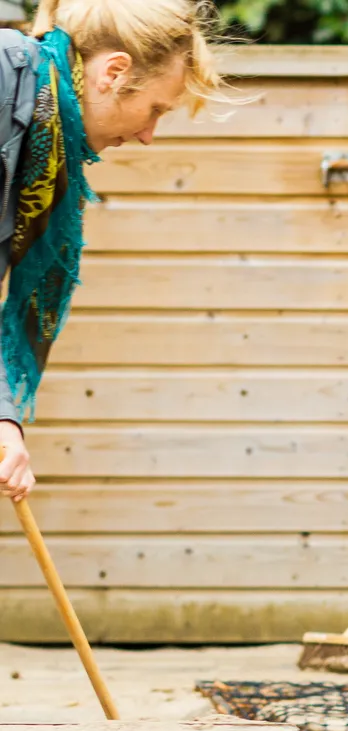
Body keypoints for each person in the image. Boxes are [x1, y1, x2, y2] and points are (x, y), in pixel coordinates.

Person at [0, 0, 228, 502]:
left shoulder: (43, 136)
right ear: (114, 71)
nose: (149, 136)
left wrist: (4, 419)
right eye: (155, 110)